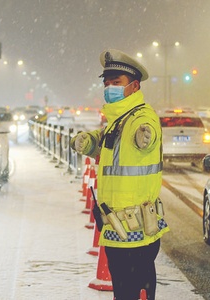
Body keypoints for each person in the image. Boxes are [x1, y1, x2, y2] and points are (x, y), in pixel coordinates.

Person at [70, 49, 169, 300]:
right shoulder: (117, 120)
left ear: (134, 87)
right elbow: (106, 143)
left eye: (117, 83)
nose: (109, 88)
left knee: (132, 292)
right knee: (125, 292)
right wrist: (87, 142)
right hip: (117, 228)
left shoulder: (141, 117)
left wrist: (144, 138)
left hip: (136, 231)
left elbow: (146, 136)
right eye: (107, 83)